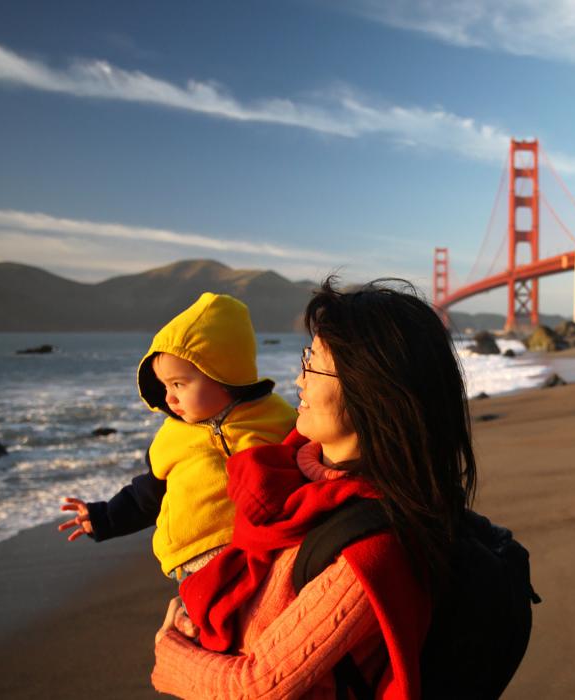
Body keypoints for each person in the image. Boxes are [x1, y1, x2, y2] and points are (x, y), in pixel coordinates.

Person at [151, 278, 477, 699]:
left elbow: (257, 687)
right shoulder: (285, 477)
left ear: (372, 391)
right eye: (306, 355)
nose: (299, 379)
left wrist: (170, 652)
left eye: (316, 363)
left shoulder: (372, 549)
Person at [57, 292, 297, 582]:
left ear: (223, 374)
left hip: (264, 548)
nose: (169, 397)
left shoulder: (276, 418)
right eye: (164, 385)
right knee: (202, 623)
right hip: (195, 560)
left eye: (178, 384)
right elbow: (145, 496)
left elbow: (309, 463)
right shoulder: (172, 438)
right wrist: (103, 518)